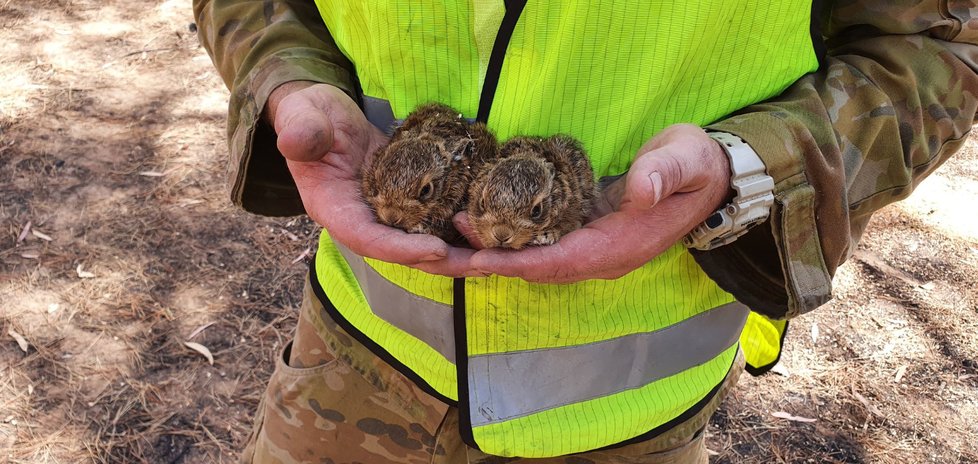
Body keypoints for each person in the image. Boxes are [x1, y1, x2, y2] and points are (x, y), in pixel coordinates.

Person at [193, 1, 978, 462]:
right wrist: (284, 75)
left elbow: (938, 48)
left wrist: (746, 169)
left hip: (628, 421)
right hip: (352, 357)